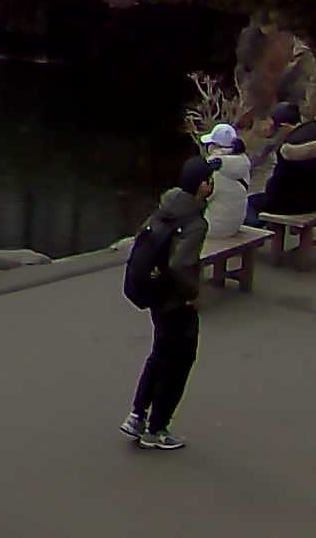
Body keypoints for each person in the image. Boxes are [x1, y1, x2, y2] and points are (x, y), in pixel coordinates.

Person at [121, 158, 211, 448]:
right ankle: (157, 428)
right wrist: (193, 294)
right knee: (180, 361)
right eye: (209, 180)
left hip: (156, 295)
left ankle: (137, 414)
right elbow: (181, 265)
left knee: (159, 354)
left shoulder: (165, 209)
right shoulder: (195, 222)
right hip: (175, 302)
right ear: (202, 186)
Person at [261, 101, 316, 218]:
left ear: (283, 127)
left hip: (295, 206)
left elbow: (276, 187)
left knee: (250, 203)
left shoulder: (289, 148)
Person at [198, 121, 257, 245]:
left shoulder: (214, 168)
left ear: (214, 146)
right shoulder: (243, 162)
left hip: (214, 227)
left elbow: (203, 197)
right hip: (235, 224)